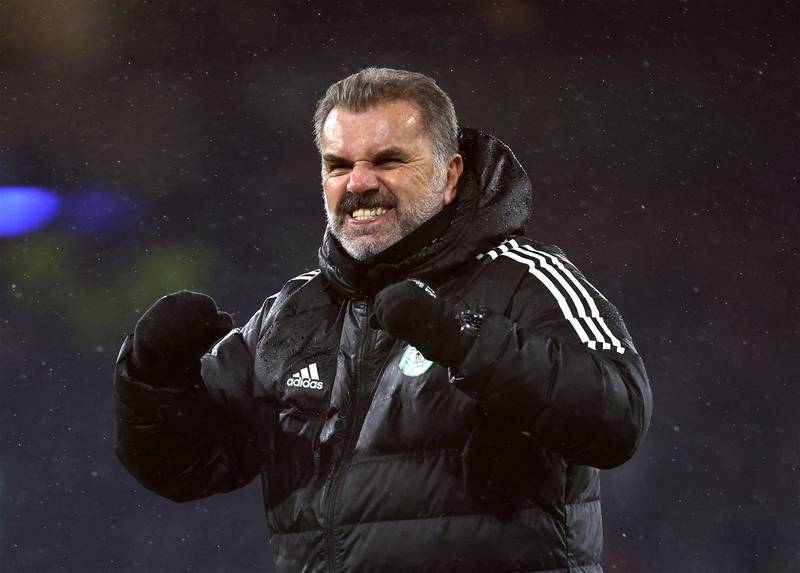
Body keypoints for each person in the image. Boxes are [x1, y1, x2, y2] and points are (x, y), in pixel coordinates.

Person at [114, 67, 652, 573]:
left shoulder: (524, 278)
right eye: (338, 165)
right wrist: (152, 380)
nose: (358, 183)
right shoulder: (293, 313)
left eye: (388, 161)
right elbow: (186, 468)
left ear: (450, 174)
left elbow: (618, 418)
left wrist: (463, 341)